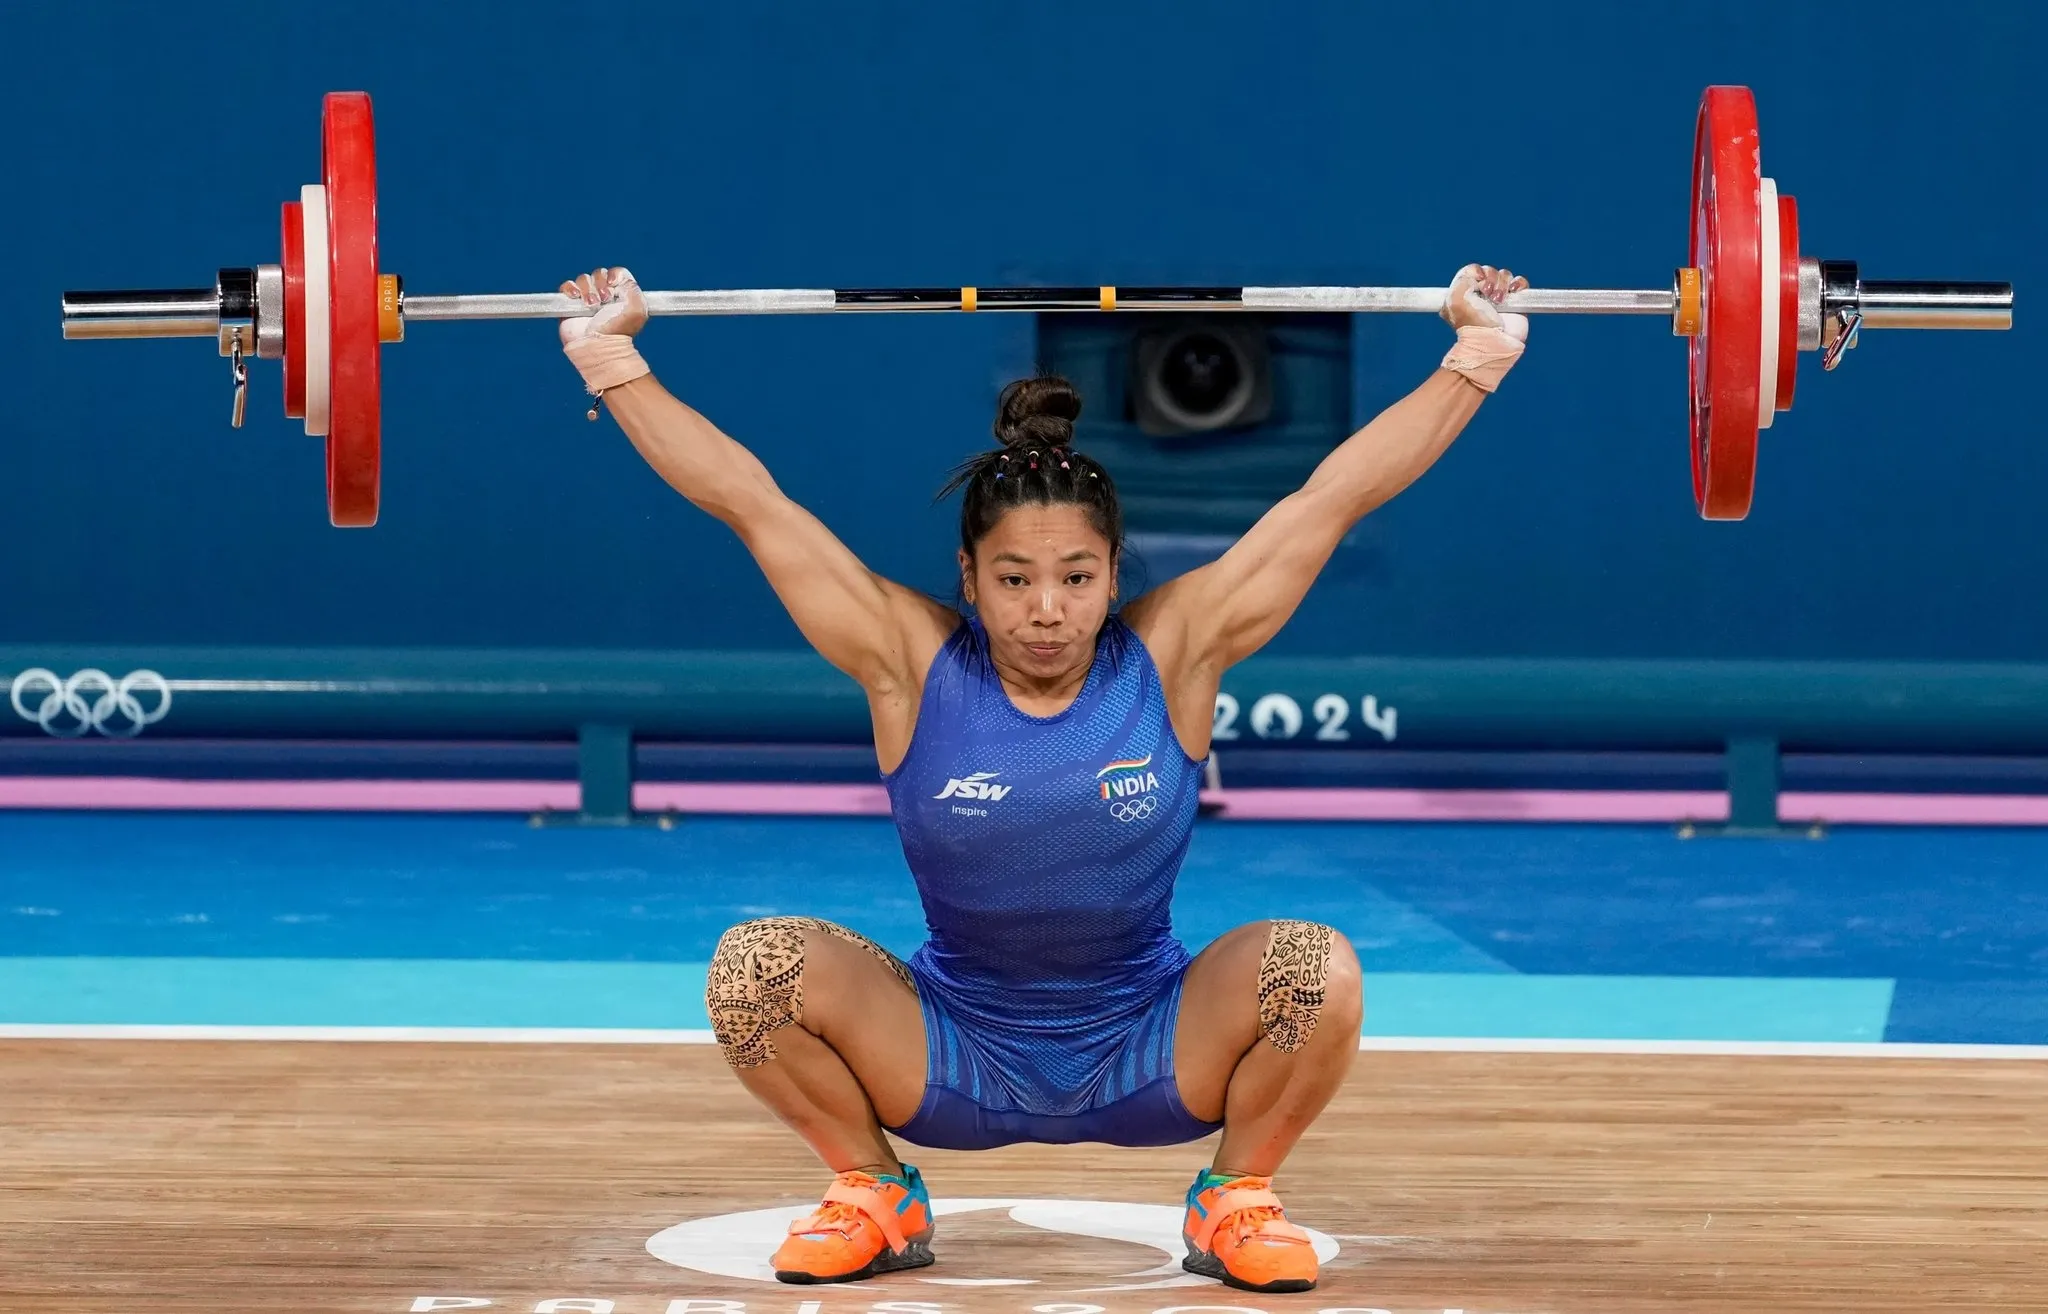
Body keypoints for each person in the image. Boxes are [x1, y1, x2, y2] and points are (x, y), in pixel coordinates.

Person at [556, 263, 1529, 1293]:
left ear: (1115, 574)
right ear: (969, 579)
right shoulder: (905, 659)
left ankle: (1234, 1196)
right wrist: (610, 354)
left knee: (1316, 970)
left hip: (1152, 1041)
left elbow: (1333, 495)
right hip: (947, 1050)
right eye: (1014, 581)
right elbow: (746, 501)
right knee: (752, 970)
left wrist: (1476, 353)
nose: (1046, 610)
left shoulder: (1176, 651)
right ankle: (873, 1190)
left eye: (1075, 579)